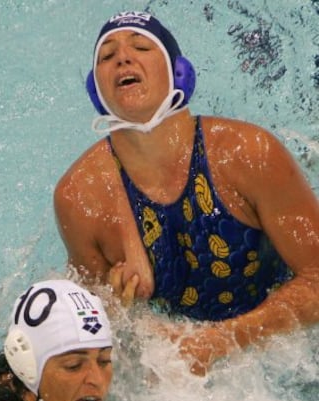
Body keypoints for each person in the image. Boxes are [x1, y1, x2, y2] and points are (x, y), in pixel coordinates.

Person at [54, 11, 319, 375]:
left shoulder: (249, 154)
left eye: (141, 47)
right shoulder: (81, 198)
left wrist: (218, 342)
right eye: (107, 55)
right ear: (94, 89)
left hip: (291, 347)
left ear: (180, 74)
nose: (123, 58)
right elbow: (90, 344)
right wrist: (122, 311)